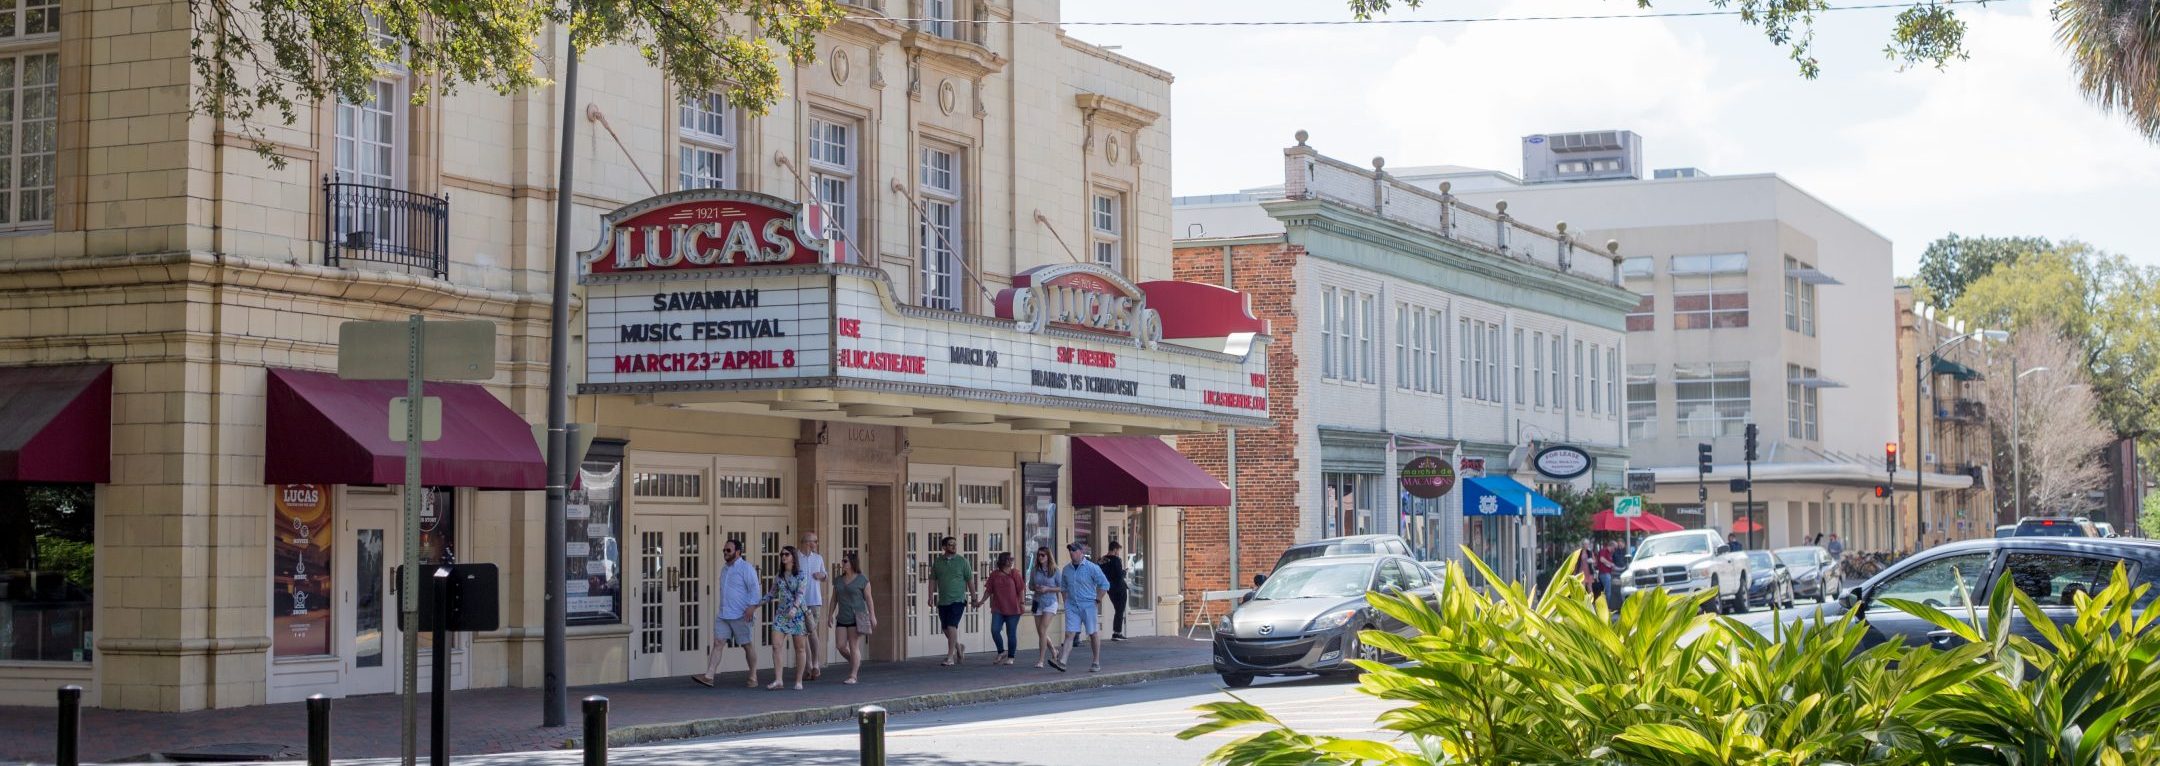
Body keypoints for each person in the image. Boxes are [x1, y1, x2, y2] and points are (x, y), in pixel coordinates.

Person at [694, 538, 761, 689]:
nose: (725, 553)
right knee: (718, 643)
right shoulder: (725, 569)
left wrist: (752, 607)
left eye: (728, 550)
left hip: (741, 614)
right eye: (724, 550)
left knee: (747, 645)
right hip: (724, 614)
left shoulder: (746, 568)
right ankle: (709, 676)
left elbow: (755, 589)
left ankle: (753, 675)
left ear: (738, 552)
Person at [1057, 542, 1112, 673]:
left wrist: (1097, 599)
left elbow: (1105, 584)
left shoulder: (1092, 568)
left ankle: (1096, 661)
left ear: (1082, 552)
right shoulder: (1066, 569)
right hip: (1072, 605)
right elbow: (1063, 587)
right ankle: (1062, 661)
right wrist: (1065, 602)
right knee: (1070, 633)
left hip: (1088, 605)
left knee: (1092, 633)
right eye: (1070, 550)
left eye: (1074, 550)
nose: (1071, 552)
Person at [765, 546, 813, 690]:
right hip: (782, 614)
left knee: (800, 648)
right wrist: (756, 605)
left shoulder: (801, 575)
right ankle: (778, 680)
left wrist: (794, 608)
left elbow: (800, 594)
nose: (783, 557)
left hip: (797, 614)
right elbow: (771, 593)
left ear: (793, 556)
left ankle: (799, 681)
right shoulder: (779, 576)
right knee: (776, 645)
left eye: (786, 554)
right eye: (781, 554)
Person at [827, 552, 875, 685]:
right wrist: (830, 615)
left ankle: (853, 675)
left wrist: (872, 615)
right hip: (842, 616)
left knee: (854, 646)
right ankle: (855, 661)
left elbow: (869, 599)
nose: (842, 564)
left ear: (852, 563)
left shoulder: (862, 580)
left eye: (845, 561)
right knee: (840, 645)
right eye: (842, 561)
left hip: (857, 617)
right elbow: (834, 599)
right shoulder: (838, 580)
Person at [930, 536, 975, 666]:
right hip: (943, 600)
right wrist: (930, 596)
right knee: (945, 628)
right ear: (944, 547)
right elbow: (932, 579)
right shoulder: (938, 562)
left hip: (958, 600)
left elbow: (970, 580)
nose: (954, 547)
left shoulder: (962, 561)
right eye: (950, 545)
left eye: (955, 544)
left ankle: (950, 657)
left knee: (951, 625)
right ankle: (959, 648)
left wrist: (973, 597)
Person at [975, 551, 1025, 665]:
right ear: (1003, 561)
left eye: (1012, 559)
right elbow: (989, 590)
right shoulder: (994, 574)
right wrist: (981, 602)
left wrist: (1022, 603)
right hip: (998, 608)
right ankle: (1001, 651)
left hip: (1013, 608)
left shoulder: (1014, 573)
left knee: (1011, 633)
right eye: (1009, 559)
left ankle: (1011, 657)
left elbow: (1021, 589)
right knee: (995, 630)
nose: (1011, 561)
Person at [796, 532, 828, 681]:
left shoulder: (818, 558)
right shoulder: (795, 557)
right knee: (803, 635)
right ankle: (808, 667)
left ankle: (816, 663)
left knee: (812, 632)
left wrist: (822, 576)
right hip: (799, 602)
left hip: (814, 600)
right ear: (807, 543)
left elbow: (825, 575)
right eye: (815, 541)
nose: (816, 543)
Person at [1028, 547, 1064, 669]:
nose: (1040, 557)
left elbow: (1062, 587)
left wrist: (1048, 589)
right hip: (1037, 601)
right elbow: (1030, 586)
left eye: (1043, 555)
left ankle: (1041, 660)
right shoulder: (1035, 570)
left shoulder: (1055, 570)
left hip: (1050, 602)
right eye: (1039, 555)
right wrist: (1036, 588)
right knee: (1041, 632)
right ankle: (1054, 651)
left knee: (1042, 629)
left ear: (1048, 556)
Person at [1100, 541, 1130, 641]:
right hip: (1119, 587)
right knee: (1120, 610)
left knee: (1118, 609)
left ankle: (1116, 632)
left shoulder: (1102, 560)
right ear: (1115, 549)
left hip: (1110, 588)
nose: (1118, 553)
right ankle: (1117, 633)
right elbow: (1119, 575)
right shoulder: (1116, 560)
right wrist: (1124, 572)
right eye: (1118, 550)